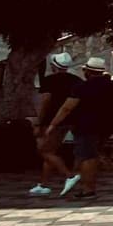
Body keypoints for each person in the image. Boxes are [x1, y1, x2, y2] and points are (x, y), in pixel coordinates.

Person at [44, 57, 113, 201]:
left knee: (87, 157)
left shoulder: (82, 87)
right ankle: (83, 181)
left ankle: (88, 189)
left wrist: (52, 125)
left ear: (88, 71)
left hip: (86, 126)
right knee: (90, 155)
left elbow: (67, 108)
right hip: (107, 126)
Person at [31, 52, 81, 197]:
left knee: (44, 150)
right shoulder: (77, 80)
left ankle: (69, 175)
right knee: (50, 151)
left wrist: (39, 121)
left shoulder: (49, 81)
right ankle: (43, 184)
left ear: (54, 66)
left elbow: (45, 101)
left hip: (55, 120)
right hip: (73, 119)